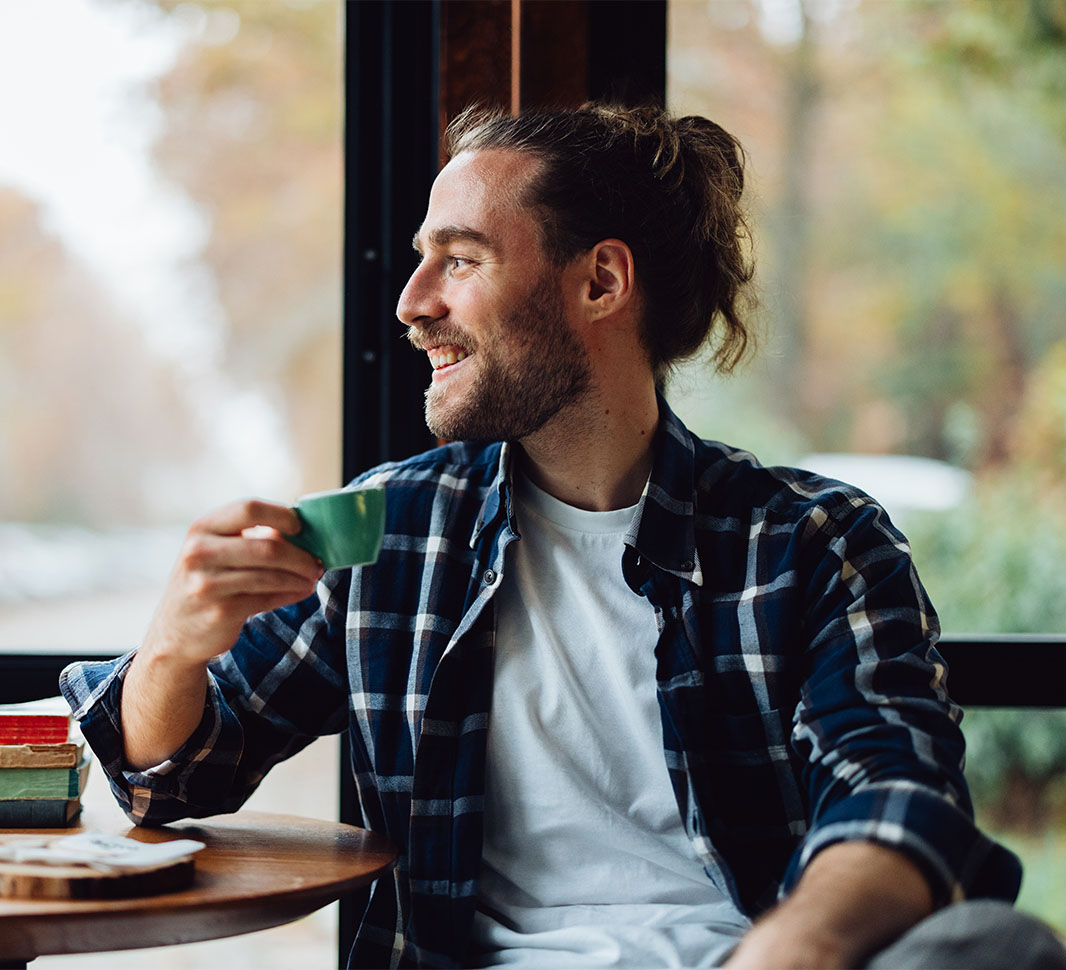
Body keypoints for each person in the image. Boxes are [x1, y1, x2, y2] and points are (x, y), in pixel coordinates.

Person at [62, 104, 1065, 970]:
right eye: (420, 263)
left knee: (999, 947)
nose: (412, 304)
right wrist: (173, 645)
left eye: (458, 260)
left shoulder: (810, 541)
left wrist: (790, 946)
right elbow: (174, 775)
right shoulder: (397, 531)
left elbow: (895, 796)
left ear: (599, 284)